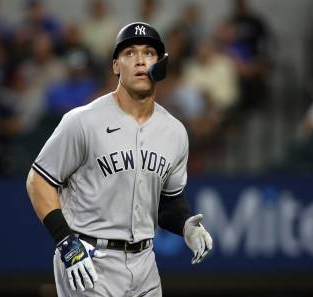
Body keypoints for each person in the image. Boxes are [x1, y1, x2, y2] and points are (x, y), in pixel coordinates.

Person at [26, 22, 213, 296]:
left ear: (161, 63)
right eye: (129, 53)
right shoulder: (83, 121)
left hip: (145, 261)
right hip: (89, 259)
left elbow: (168, 200)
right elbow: (38, 181)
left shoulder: (174, 132)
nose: (139, 60)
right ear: (115, 66)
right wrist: (66, 241)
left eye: (149, 52)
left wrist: (185, 225)